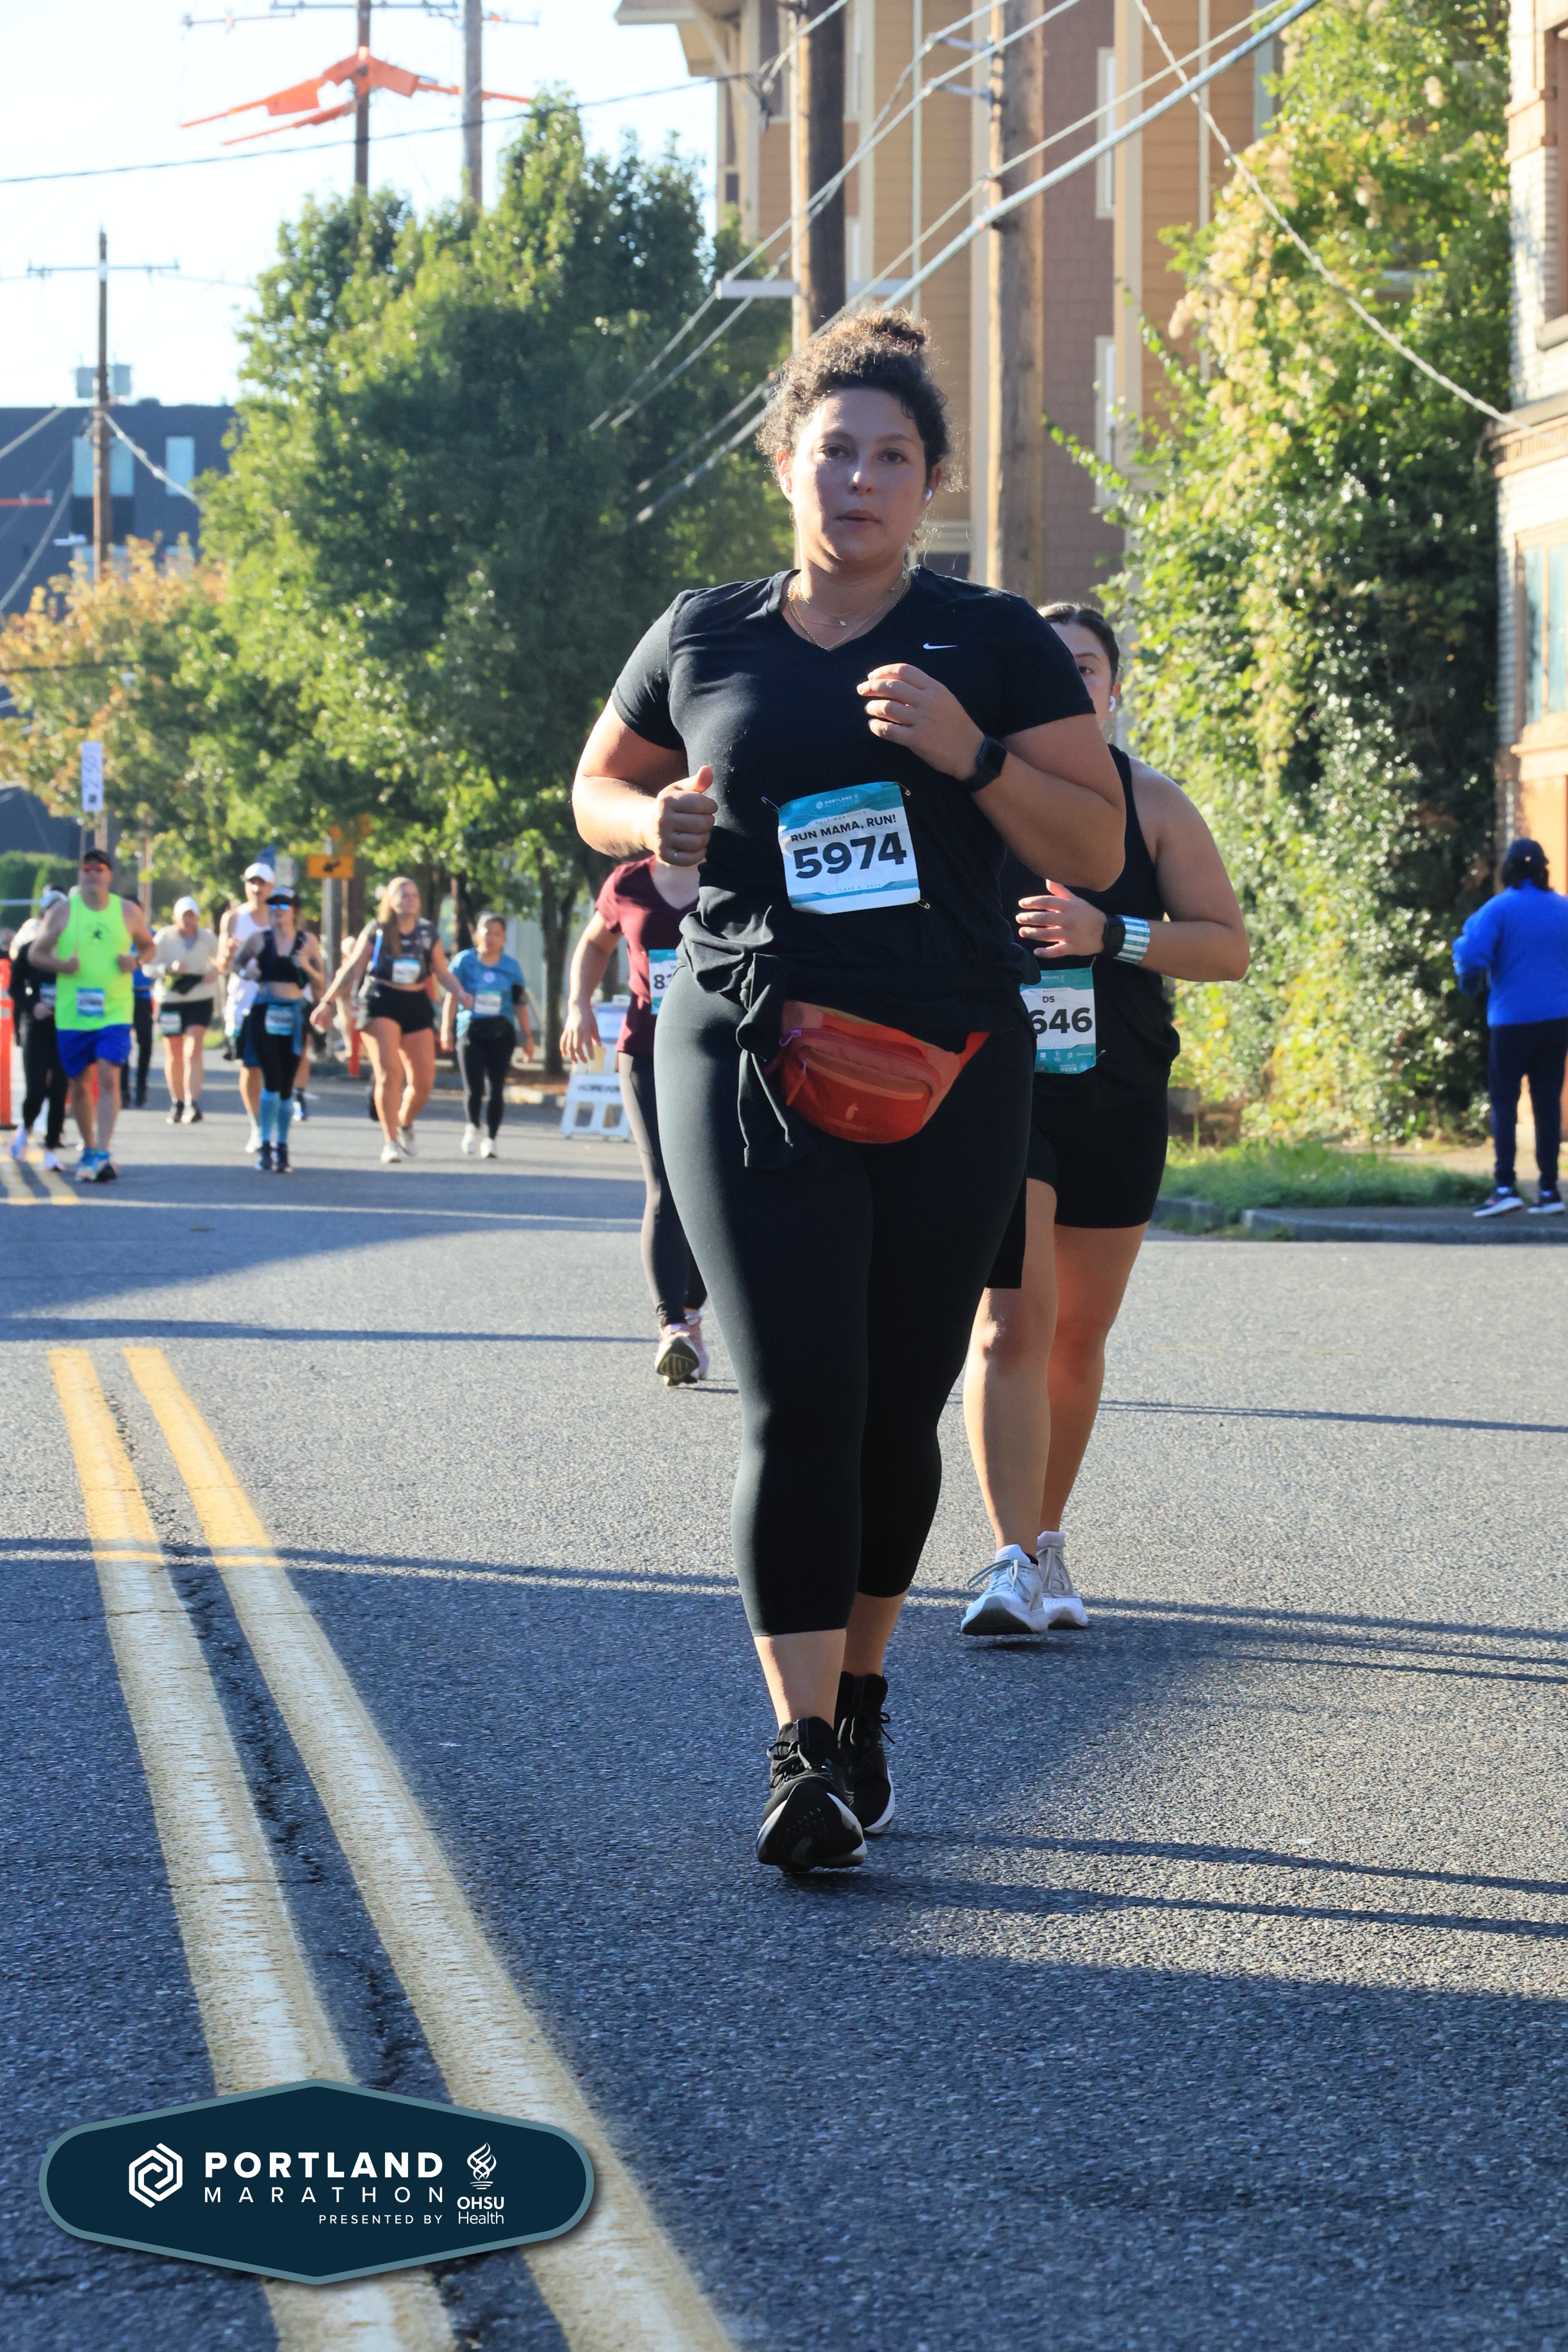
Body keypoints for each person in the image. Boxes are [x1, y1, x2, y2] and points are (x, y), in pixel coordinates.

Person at [572, 312, 1123, 1871]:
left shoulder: (991, 641)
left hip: (950, 1055)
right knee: (800, 1392)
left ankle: (865, 1694)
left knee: (893, 1404)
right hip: (746, 1044)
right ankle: (802, 1749)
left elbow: (1093, 846)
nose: (860, 478)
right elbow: (595, 782)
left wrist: (970, 756)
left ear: (930, 481)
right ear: (784, 466)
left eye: (891, 456)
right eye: (834, 452)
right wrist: (651, 824)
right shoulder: (705, 633)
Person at [961, 605, 1250, 1638]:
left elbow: (1226, 947)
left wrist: (1110, 931)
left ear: (1112, 688)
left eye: (1084, 666)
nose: (1068, 681)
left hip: (1118, 1090)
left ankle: (1044, 1544)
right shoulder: (971, 798)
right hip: (1001, 1089)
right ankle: (1005, 1561)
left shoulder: (1153, 802)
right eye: (1047, 667)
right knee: (1011, 1323)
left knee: (1078, 1337)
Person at [561, 861, 710, 1384]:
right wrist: (578, 1005)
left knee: (713, 1189)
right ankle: (673, 1328)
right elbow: (594, 944)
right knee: (666, 1184)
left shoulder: (730, 870)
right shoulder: (627, 882)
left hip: (717, 1050)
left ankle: (691, 1312)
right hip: (645, 1050)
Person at [311, 877, 470, 1162]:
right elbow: (352, 969)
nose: (411, 900)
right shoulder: (378, 930)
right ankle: (391, 1141)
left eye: (414, 895)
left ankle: (405, 1122)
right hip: (382, 1000)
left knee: (424, 1080)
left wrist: (460, 992)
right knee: (390, 1071)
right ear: (391, 900)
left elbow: (441, 971)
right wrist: (327, 1003)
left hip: (416, 1002)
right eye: (404, 895)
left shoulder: (427, 932)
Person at [27, 846, 158, 1184]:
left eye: (99, 868)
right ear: (80, 874)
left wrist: (136, 961)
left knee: (109, 1075)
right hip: (73, 1014)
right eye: (87, 868)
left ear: (109, 875)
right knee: (79, 1084)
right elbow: (36, 954)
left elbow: (149, 946)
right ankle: (88, 1147)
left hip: (115, 1010)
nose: (93, 873)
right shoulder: (63, 913)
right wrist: (61, 965)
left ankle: (102, 1149)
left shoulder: (127, 911)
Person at [1453, 835, 1568, 1217]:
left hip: (1512, 1020)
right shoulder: (1563, 909)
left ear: (1508, 870)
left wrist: (1469, 981)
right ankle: (1549, 1191)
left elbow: (1472, 955)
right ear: (1544, 870)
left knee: (1504, 1101)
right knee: (1548, 1103)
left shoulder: (1499, 909)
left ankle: (1505, 1187)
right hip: (1557, 1020)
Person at [234, 886, 325, 1172]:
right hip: (265, 1011)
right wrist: (246, 971)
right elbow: (236, 964)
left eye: (284, 906)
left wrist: (307, 968)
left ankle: (283, 1146)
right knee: (271, 1079)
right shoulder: (259, 939)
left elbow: (321, 983)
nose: (277, 911)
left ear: (294, 911)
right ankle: (265, 1145)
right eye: (273, 905)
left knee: (286, 1086)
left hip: (294, 1014)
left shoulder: (307, 942)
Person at [443, 910, 526, 1160]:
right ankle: (473, 1127)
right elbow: (452, 997)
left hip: (502, 1031)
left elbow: (520, 1002)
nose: (491, 938)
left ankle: (491, 1139)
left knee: (497, 1087)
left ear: (504, 939)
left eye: (497, 934)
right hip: (471, 1030)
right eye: (487, 932)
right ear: (476, 934)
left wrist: (528, 1037)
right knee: (474, 1086)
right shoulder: (464, 961)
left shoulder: (511, 967)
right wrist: (446, 1030)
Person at [7, 888, 70, 1170]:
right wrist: (33, 1006)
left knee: (58, 1089)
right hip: (36, 1026)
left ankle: (51, 1147)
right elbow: (14, 987)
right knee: (35, 1089)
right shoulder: (30, 950)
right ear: (43, 917)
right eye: (51, 913)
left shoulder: (73, 952)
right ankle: (25, 1128)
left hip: (65, 1027)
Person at [216, 861, 276, 1152]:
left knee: (273, 1067)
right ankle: (257, 1127)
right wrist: (228, 955)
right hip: (243, 1003)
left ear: (272, 888)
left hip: (275, 1000)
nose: (257, 888)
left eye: (262, 883)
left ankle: (272, 1124)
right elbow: (221, 965)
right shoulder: (233, 918)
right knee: (250, 1067)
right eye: (252, 883)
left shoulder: (280, 917)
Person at [151, 896, 220, 1125]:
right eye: (184, 916)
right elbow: (148, 966)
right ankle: (177, 1102)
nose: (188, 921)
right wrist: (168, 968)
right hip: (171, 998)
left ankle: (192, 1101)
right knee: (174, 1052)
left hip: (199, 997)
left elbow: (222, 960)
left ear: (197, 917)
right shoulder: (165, 937)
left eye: (192, 916)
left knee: (193, 1050)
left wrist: (215, 971)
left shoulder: (207, 938)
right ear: (176, 917)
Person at [130, 956, 154, 1108]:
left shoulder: (148, 941)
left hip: (144, 995)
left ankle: (141, 1086)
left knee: (145, 1041)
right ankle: (122, 1088)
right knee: (122, 1043)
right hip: (120, 995)